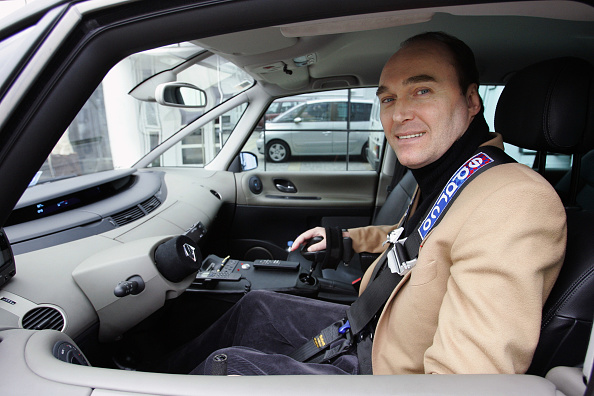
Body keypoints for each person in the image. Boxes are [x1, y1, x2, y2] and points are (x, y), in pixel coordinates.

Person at [164, 31, 566, 376]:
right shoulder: (453, 175)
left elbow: (466, 383)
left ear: (472, 101)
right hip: (369, 326)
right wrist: (345, 240)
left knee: (230, 366)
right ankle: (154, 374)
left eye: (422, 90)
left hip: (383, 373)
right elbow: (419, 241)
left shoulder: (514, 200)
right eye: (389, 99)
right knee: (256, 307)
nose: (400, 114)